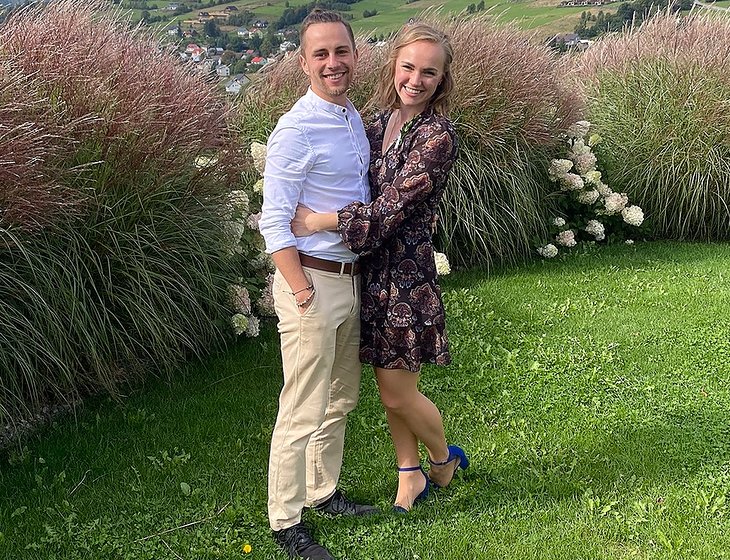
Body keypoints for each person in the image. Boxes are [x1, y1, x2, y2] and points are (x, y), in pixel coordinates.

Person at [291, 22, 469, 515]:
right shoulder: (376, 122)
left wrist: (317, 220)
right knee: (388, 385)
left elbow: (389, 210)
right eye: (408, 67)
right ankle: (408, 473)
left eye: (429, 72)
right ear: (394, 65)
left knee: (397, 394)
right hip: (370, 271)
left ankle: (443, 459)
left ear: (442, 79)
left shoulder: (437, 136)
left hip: (406, 278)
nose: (416, 79)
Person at [258, 9, 376, 560]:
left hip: (350, 280)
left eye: (341, 51)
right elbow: (273, 221)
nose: (333, 63)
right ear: (303, 63)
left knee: (340, 398)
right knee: (302, 405)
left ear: (355, 54)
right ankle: (286, 520)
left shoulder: (351, 116)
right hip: (312, 283)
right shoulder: (296, 129)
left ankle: (322, 491)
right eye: (321, 54)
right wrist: (301, 290)